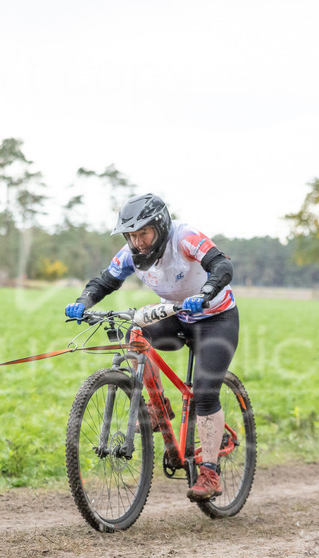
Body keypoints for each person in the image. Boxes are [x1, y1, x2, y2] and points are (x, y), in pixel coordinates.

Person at [64, 193, 239, 502]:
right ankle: (159, 409)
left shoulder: (184, 237)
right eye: (131, 235)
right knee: (136, 333)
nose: (138, 241)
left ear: (159, 226)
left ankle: (209, 472)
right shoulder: (131, 252)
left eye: (143, 233)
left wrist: (209, 290)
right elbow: (105, 281)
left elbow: (221, 264)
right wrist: (83, 303)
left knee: (204, 393)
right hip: (176, 316)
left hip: (216, 320)